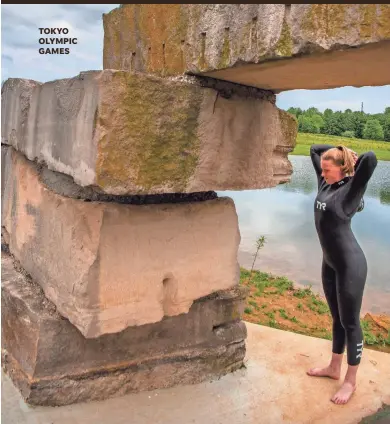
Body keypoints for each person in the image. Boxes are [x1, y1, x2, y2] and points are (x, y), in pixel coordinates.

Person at [307, 144, 378, 405]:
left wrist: (351, 159)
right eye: (323, 170)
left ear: (341, 169)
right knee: (336, 318)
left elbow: (370, 159)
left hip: (351, 264)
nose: (323, 173)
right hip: (330, 263)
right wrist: (336, 150)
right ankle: (333, 368)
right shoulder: (324, 184)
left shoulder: (350, 191)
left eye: (328, 169)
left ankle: (350, 381)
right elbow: (314, 150)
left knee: (350, 323)